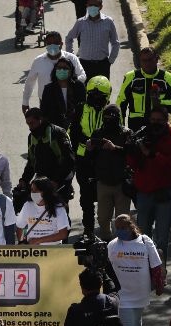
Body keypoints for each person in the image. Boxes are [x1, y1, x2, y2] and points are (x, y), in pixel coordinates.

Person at [126, 106, 171, 262]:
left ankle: (160, 270)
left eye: (159, 120)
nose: (155, 123)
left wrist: (151, 154)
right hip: (144, 191)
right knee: (143, 236)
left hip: (164, 192)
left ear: (166, 121)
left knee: (162, 237)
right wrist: (133, 149)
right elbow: (131, 163)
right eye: (153, 120)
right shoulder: (143, 135)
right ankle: (144, 268)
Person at [107, 214, 164, 326]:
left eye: (122, 227)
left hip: (140, 291)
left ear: (130, 226)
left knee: (137, 319)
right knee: (127, 322)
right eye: (117, 228)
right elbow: (106, 267)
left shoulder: (145, 242)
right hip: (122, 292)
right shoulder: (113, 245)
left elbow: (156, 265)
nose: (119, 231)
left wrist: (159, 284)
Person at [70, 75, 111, 235]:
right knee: (86, 197)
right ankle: (88, 230)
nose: (94, 99)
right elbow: (72, 132)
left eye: (99, 96)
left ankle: (105, 228)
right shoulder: (80, 108)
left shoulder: (111, 111)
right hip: (83, 159)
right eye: (91, 95)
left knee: (103, 196)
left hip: (103, 159)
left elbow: (117, 132)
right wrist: (84, 143)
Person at [63, 268, 128, 326]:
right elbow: (113, 289)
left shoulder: (75, 310)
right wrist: (105, 272)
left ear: (82, 287)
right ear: (101, 283)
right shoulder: (113, 303)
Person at [87, 104, 132, 239]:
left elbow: (132, 155)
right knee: (102, 218)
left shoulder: (127, 133)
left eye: (111, 117)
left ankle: (123, 244)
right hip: (103, 182)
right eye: (106, 118)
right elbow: (90, 158)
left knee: (123, 220)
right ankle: (107, 243)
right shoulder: (98, 133)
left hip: (122, 183)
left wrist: (115, 148)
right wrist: (89, 149)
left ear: (117, 118)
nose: (108, 121)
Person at [116, 47, 171, 131]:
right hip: (136, 125)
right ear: (140, 62)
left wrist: (160, 103)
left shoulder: (166, 77)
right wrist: (120, 127)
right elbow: (121, 103)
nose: (147, 63)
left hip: (158, 125)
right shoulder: (131, 77)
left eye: (150, 60)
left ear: (156, 59)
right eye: (144, 60)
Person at [22, 31, 86, 113]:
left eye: (55, 43)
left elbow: (82, 76)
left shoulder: (72, 58)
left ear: (61, 44)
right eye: (49, 43)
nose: (52, 46)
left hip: (69, 101)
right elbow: (30, 82)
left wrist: (70, 82)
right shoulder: (38, 61)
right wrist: (25, 102)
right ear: (46, 44)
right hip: (46, 103)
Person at [20, 108, 76, 199]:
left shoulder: (58, 133)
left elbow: (69, 160)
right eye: (28, 124)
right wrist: (24, 180)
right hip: (42, 180)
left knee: (59, 209)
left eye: (32, 123)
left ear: (40, 120)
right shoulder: (32, 137)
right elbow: (31, 162)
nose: (30, 127)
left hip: (60, 180)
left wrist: (56, 181)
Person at [64, 0, 119, 81]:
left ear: (100, 6)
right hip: (83, 64)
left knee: (102, 91)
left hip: (102, 65)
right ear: (86, 5)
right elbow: (69, 38)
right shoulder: (80, 22)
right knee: (83, 91)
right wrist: (72, 58)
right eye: (90, 5)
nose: (92, 7)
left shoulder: (108, 22)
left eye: (95, 5)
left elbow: (115, 43)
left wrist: (110, 61)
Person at [16, 176, 71, 245]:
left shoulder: (58, 208)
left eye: (35, 190)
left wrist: (38, 240)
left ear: (45, 192)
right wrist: (21, 241)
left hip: (53, 250)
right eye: (32, 190)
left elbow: (63, 234)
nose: (32, 193)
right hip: (33, 250)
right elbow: (20, 227)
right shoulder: (28, 205)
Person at [40, 57, 87, 131]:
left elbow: (84, 107)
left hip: (76, 127)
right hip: (55, 129)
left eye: (65, 68)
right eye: (59, 68)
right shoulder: (48, 89)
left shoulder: (79, 86)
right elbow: (44, 112)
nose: (61, 70)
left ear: (71, 71)